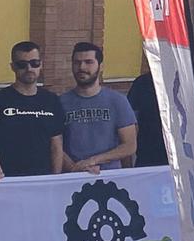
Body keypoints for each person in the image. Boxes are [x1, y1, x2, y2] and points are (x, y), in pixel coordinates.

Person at [0, 41, 67, 178]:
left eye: (34, 63)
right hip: (5, 180)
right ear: (13, 67)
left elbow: (56, 144)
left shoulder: (51, 100)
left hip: (42, 180)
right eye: (22, 64)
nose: (29, 68)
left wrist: (55, 179)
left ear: (41, 64)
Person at [59, 42, 138, 172]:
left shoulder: (118, 101)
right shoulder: (60, 103)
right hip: (73, 176)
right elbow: (55, 144)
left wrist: (93, 161)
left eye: (88, 62)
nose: (82, 67)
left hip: (109, 176)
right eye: (77, 62)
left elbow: (129, 145)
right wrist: (75, 168)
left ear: (100, 66)